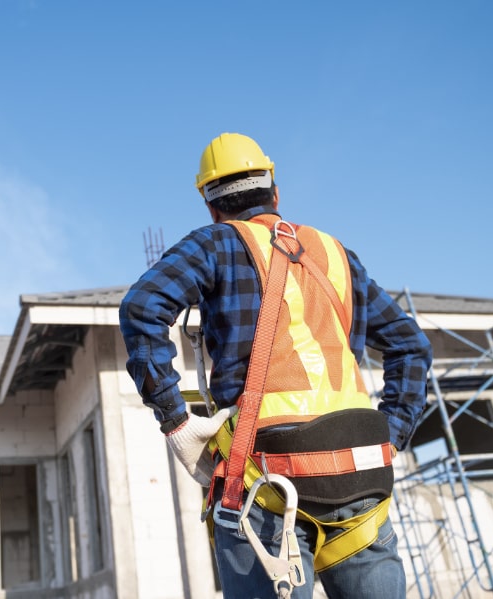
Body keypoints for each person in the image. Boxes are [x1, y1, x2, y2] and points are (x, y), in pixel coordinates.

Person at [118, 132, 432, 598]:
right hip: (359, 476)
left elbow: (142, 308)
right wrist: (392, 435)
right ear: (276, 193)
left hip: (265, 477)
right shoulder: (334, 253)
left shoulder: (214, 244)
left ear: (210, 205)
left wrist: (177, 422)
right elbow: (411, 344)